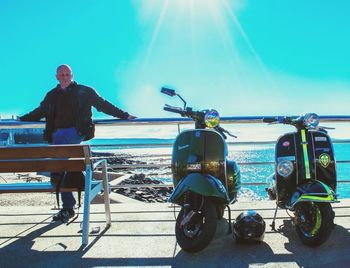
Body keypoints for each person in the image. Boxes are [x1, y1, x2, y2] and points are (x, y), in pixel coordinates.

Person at [20, 64, 136, 222]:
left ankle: (67, 203)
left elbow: (103, 105)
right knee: (63, 162)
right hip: (58, 138)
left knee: (59, 151)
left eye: (67, 74)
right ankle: (72, 196)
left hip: (77, 131)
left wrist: (124, 115)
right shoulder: (51, 95)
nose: (65, 77)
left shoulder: (85, 91)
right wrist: (21, 119)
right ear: (56, 77)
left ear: (72, 75)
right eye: (62, 75)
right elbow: (39, 112)